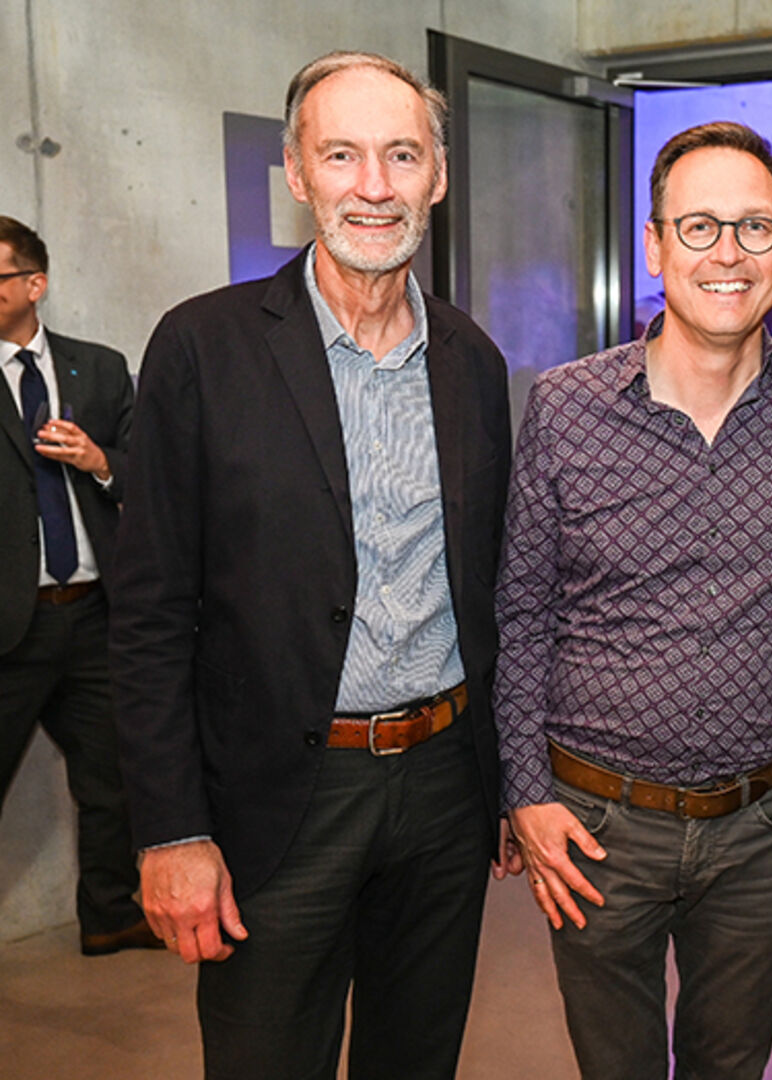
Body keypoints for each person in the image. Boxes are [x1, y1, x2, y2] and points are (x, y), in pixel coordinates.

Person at [109, 52, 511, 1078]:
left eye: (400, 155)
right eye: (341, 155)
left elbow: (495, 591)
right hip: (276, 802)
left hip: (442, 795)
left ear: (437, 177)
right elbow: (149, 609)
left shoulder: (474, 362)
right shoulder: (203, 347)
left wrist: (507, 782)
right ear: (296, 172)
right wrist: (169, 830)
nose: (372, 186)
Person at [495, 120, 772, 1080]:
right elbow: (520, 612)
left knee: (731, 1065)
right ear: (656, 243)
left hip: (766, 826)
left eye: (755, 228)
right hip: (594, 826)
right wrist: (525, 795)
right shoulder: (567, 405)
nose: (728, 253)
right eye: (700, 226)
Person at [0, 216, 152, 956]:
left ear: (35, 284)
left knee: (112, 775)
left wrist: (99, 459)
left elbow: (145, 472)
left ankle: (111, 914)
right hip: (9, 620)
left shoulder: (99, 366)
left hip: (93, 614)